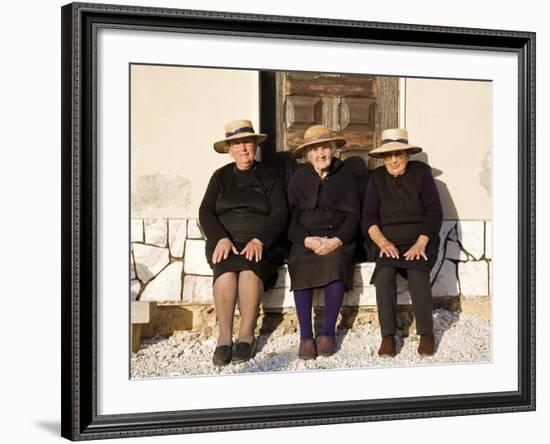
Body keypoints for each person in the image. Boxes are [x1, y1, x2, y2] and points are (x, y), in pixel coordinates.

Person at [199, 119, 288, 366]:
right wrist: (220, 238)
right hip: (226, 242)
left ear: (255, 145)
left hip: (263, 243)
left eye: (247, 142)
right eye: (237, 144)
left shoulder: (269, 176)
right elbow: (206, 211)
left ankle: (247, 335)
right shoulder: (220, 177)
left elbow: (280, 213)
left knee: (249, 270)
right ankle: (224, 338)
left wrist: (260, 240)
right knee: (226, 273)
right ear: (230, 149)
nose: (243, 148)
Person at [362, 128, 443, 357]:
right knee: (385, 275)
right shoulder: (377, 178)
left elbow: (434, 211)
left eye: (399, 154)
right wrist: (382, 242)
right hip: (388, 241)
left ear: (407, 155)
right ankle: (388, 336)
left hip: (419, 239)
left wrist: (421, 243)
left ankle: (426, 333)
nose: (394, 160)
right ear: (383, 158)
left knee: (418, 274)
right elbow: (368, 216)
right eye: (389, 155)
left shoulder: (421, 173)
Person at [286, 125, 360, 359]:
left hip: (338, 239)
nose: (320, 154)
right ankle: (306, 336)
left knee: (336, 263)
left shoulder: (344, 175)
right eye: (315, 150)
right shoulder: (298, 178)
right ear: (308, 155)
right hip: (307, 240)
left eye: (325, 148)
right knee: (299, 264)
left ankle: (328, 333)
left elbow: (354, 216)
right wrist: (307, 240)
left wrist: (337, 241)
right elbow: (289, 219)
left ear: (333, 150)